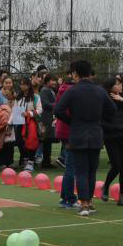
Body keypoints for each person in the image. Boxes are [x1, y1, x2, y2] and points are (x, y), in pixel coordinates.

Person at [53, 60, 107, 216]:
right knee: (91, 171)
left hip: (78, 134)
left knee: (81, 172)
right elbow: (111, 109)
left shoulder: (73, 91)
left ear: (75, 73)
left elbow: (58, 110)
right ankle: (89, 202)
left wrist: (72, 121)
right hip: (96, 134)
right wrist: (98, 120)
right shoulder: (100, 91)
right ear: (90, 73)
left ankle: (83, 205)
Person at [101, 77, 123, 205]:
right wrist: (112, 127)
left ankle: (122, 196)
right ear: (110, 87)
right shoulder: (105, 100)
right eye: (117, 84)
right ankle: (105, 186)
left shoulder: (122, 98)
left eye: (121, 83)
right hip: (111, 138)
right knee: (116, 165)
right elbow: (102, 119)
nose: (120, 86)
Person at [54, 67, 79, 208]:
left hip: (63, 129)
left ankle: (65, 197)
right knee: (71, 166)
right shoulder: (73, 90)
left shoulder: (63, 88)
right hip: (70, 130)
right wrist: (72, 121)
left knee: (70, 164)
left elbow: (58, 107)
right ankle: (69, 198)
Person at [11, 77, 42, 171]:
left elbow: (40, 110)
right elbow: (14, 110)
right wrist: (9, 123)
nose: (22, 86)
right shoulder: (18, 97)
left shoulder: (35, 97)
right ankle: (25, 159)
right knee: (19, 141)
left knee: (31, 141)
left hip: (30, 122)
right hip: (19, 122)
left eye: (24, 84)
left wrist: (29, 113)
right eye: (21, 84)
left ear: (29, 85)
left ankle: (30, 161)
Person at [38, 71, 58, 168]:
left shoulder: (50, 90)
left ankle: (47, 160)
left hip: (50, 118)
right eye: (52, 80)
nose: (54, 82)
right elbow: (45, 104)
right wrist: (57, 105)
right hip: (46, 118)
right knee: (46, 140)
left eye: (55, 80)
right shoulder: (44, 90)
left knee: (49, 140)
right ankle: (45, 162)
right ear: (47, 81)